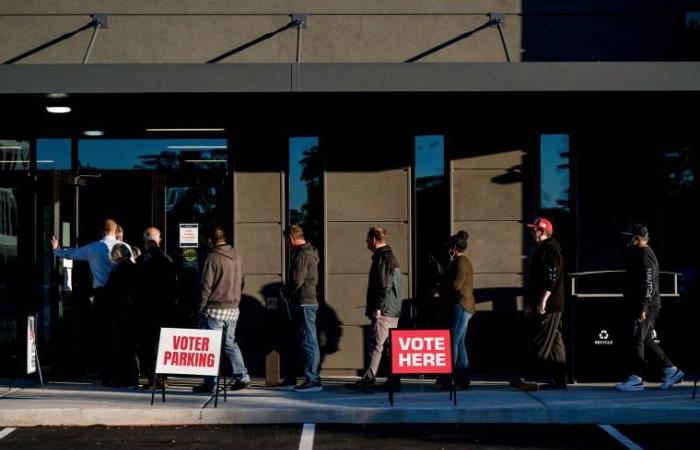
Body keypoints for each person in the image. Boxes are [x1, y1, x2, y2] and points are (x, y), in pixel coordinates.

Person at [615, 224, 684, 391]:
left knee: (637, 337)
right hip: (641, 304)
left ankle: (636, 379)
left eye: (630, 236)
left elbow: (649, 284)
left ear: (637, 239)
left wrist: (643, 308)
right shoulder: (637, 253)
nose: (627, 239)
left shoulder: (645, 254)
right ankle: (671, 370)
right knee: (645, 338)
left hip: (646, 305)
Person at [511, 217, 567, 391]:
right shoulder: (542, 249)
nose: (531, 232)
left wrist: (543, 300)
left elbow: (553, 275)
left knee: (541, 339)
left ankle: (530, 377)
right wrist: (529, 302)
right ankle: (559, 380)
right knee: (555, 341)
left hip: (549, 306)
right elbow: (536, 280)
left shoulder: (551, 248)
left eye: (534, 229)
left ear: (543, 232)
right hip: (545, 304)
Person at [192, 226, 250, 393]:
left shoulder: (212, 258)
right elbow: (242, 282)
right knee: (230, 343)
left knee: (211, 347)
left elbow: (205, 286)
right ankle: (242, 376)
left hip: (214, 309)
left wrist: (201, 306)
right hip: (233, 308)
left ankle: (210, 383)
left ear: (211, 240)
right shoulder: (237, 257)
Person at [347, 227, 402, 393]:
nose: (365, 241)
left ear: (373, 239)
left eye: (367, 238)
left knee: (377, 345)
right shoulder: (388, 257)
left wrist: (378, 307)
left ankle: (369, 380)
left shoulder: (383, 258)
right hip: (392, 309)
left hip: (384, 310)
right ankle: (394, 380)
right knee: (387, 347)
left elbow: (383, 285)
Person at [277, 224, 322, 392]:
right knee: (300, 340)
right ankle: (294, 378)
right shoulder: (307, 252)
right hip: (304, 302)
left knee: (308, 341)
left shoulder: (302, 254)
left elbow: (297, 280)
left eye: (286, 240)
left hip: (304, 302)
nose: (286, 244)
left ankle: (313, 379)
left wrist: (285, 292)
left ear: (291, 238)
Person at [135, 226, 179, 389]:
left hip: (147, 309)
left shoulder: (142, 261)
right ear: (159, 240)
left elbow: (136, 287)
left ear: (145, 241)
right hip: (165, 308)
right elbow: (175, 284)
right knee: (164, 343)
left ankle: (154, 378)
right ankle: (163, 378)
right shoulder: (167, 259)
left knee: (149, 345)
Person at [434, 230, 475, 390]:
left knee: (451, 341)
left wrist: (441, 290)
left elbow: (456, 284)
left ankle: (447, 378)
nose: (448, 249)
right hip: (463, 306)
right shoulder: (458, 261)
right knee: (459, 343)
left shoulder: (461, 261)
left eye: (450, 246)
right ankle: (464, 379)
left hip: (461, 306)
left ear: (455, 247)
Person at [103, 243, 139, 387]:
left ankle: (123, 379)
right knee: (130, 347)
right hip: (131, 311)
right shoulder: (134, 268)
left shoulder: (119, 270)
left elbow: (111, 290)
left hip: (120, 311)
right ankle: (131, 379)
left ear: (117, 255)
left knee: (121, 347)